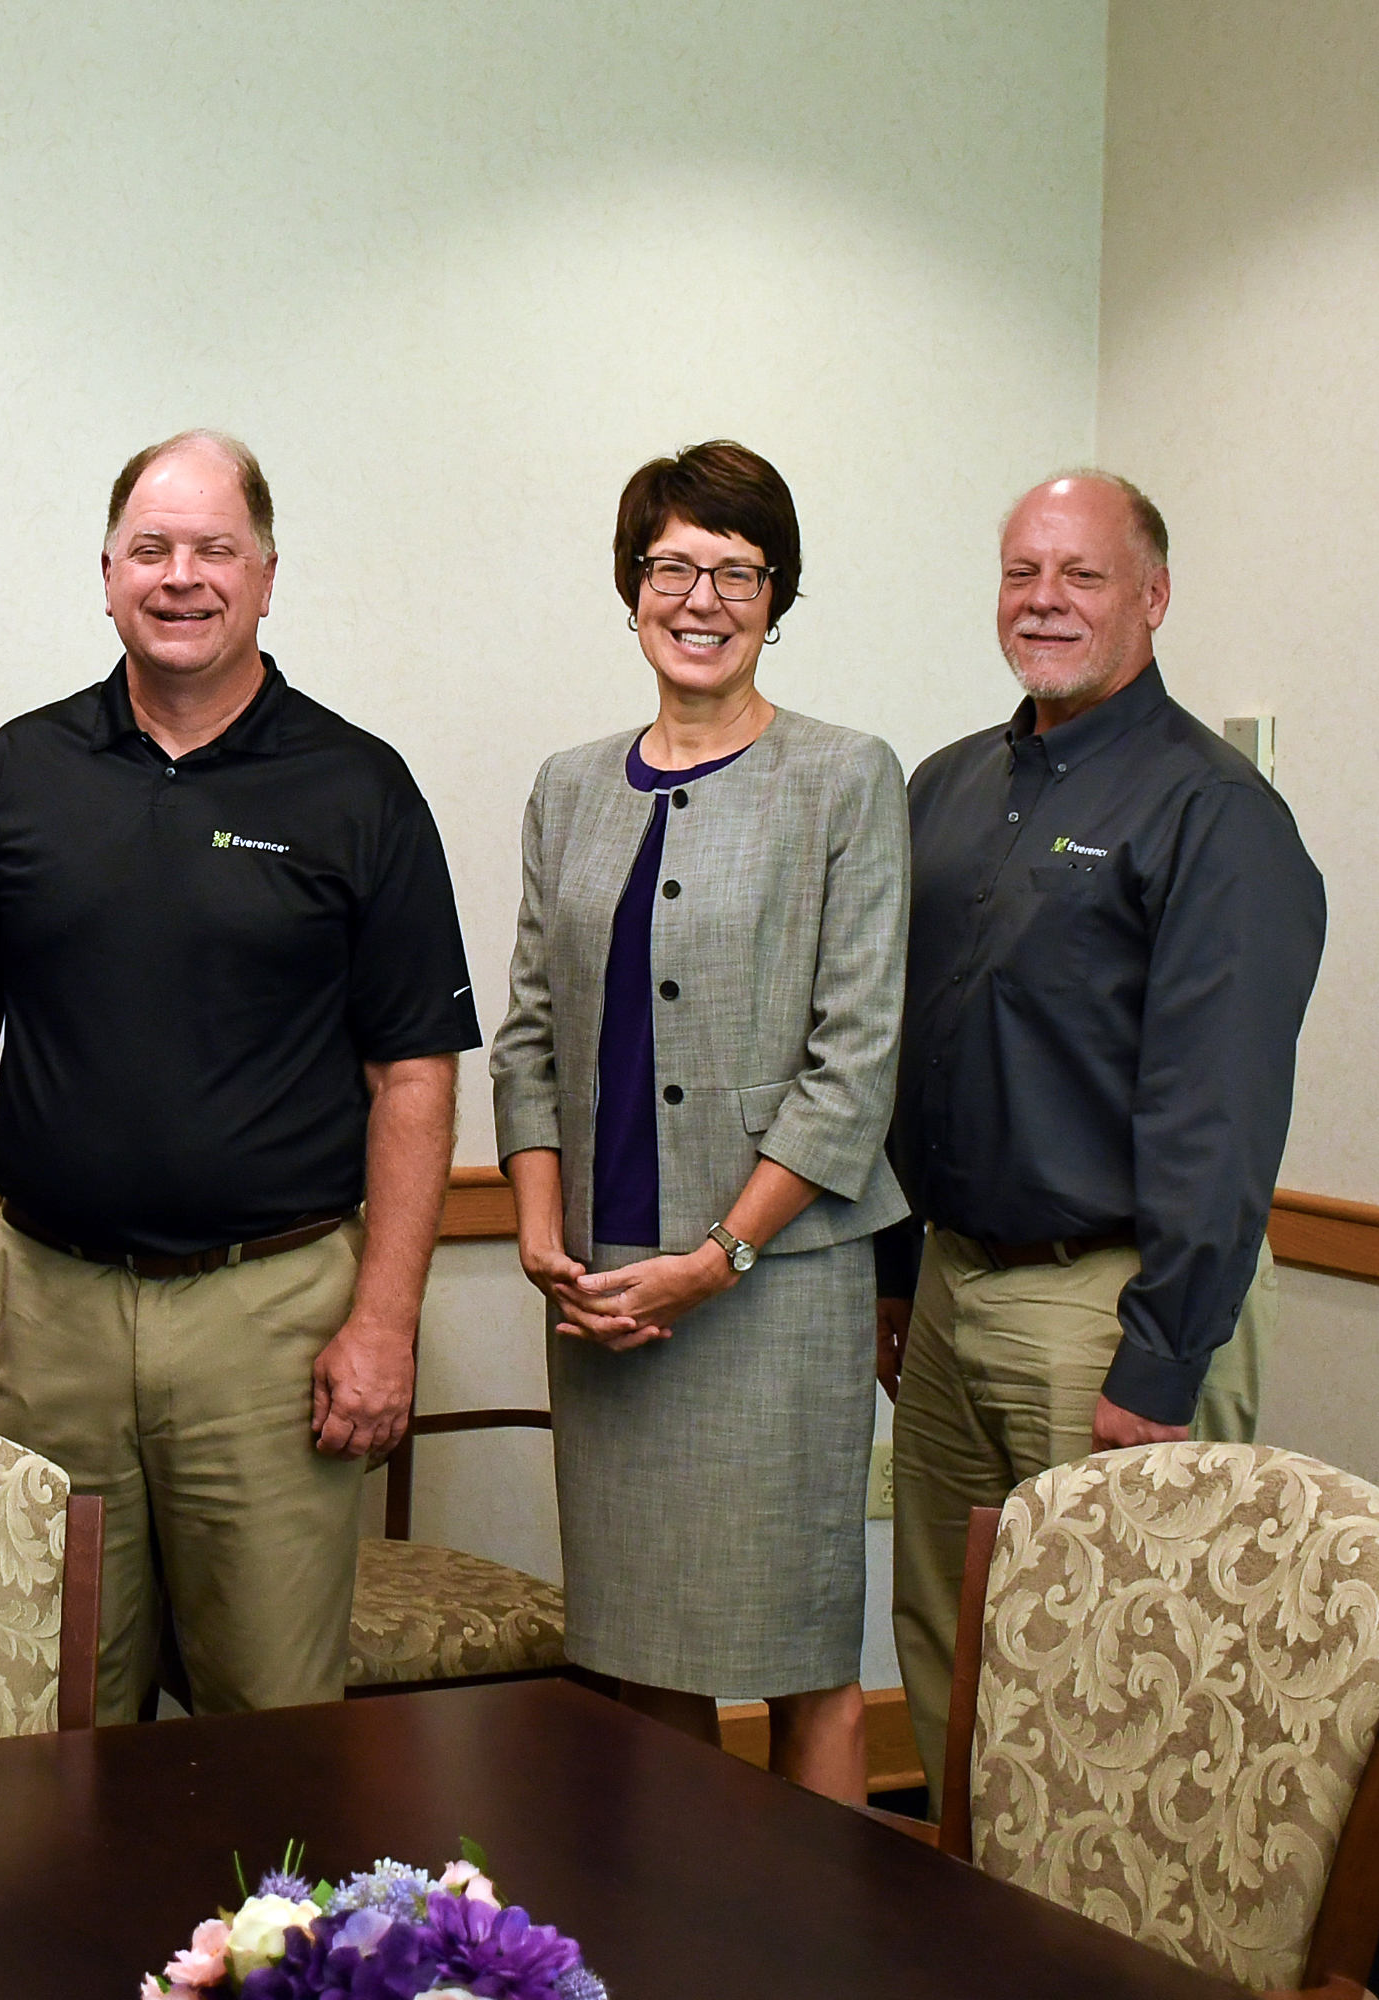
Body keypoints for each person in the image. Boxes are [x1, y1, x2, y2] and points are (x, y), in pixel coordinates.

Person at [0, 429, 479, 1721]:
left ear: (267, 574)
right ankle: (81, 1938)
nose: (181, 576)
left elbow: (414, 1077)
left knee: (268, 1727)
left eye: (215, 548)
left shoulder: (357, 786)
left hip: (269, 1325)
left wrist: (383, 1321)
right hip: (43, 1314)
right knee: (45, 1712)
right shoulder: (21, 772)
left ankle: (256, 1940)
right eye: (151, 549)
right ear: (105, 573)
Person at [882, 470, 1325, 1806]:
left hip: (1110, 1306)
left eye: (1081, 575)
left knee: (1119, 1684)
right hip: (954, 1295)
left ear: (1153, 597)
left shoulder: (1215, 812)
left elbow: (1221, 1108)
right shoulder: (948, 788)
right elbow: (905, 1057)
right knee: (953, 1661)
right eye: (1024, 573)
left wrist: (1164, 1348)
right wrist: (895, 1277)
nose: (1046, 601)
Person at [491, 441, 909, 1802]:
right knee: (646, 1656)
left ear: (774, 596)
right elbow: (533, 1036)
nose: (702, 596)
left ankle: (814, 1953)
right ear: (631, 587)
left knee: (800, 1659)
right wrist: (547, 1238)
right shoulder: (568, 786)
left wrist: (716, 1258)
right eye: (673, 565)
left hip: (775, 1292)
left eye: (737, 569)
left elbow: (852, 1065)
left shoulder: (843, 779)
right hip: (603, 1292)